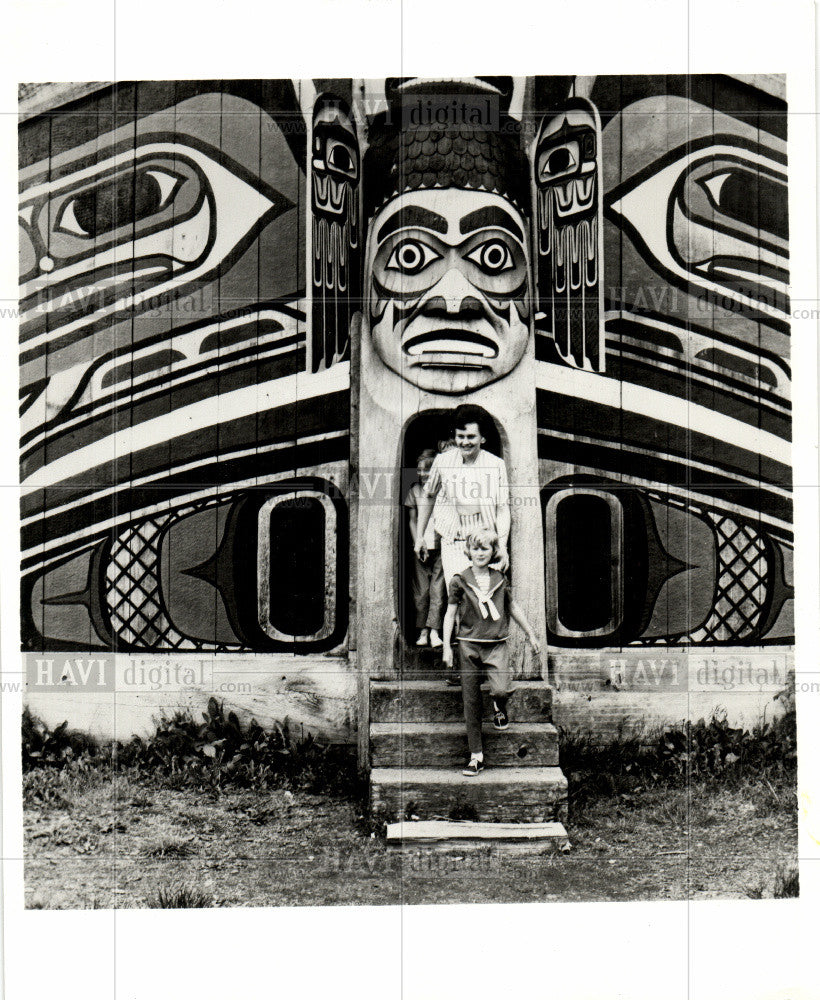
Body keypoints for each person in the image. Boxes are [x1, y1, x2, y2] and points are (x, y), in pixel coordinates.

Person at [442, 527, 541, 776]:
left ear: (493, 551)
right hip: (468, 644)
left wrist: (530, 633)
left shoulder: (499, 579)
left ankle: (499, 705)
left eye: (485, 548)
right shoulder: (459, 580)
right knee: (471, 700)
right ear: (468, 551)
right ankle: (476, 756)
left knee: (500, 688)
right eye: (475, 548)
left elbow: (513, 607)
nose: (480, 553)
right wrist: (447, 646)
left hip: (496, 643)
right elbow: (450, 613)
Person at [414, 405, 510, 590]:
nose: (465, 442)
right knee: (458, 600)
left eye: (471, 437)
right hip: (454, 542)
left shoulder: (495, 465)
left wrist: (502, 546)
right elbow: (428, 496)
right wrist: (420, 537)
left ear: (482, 437)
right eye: (461, 436)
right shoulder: (443, 461)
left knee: (483, 599)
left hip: (484, 542)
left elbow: (502, 508)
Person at [404, 449, 445, 647]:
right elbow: (412, 521)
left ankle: (435, 632)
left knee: (438, 590)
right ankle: (422, 632)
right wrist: (417, 542)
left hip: (441, 548)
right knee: (421, 592)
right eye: (419, 470)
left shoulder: (443, 490)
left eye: (427, 471)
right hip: (420, 548)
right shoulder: (414, 491)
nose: (422, 474)